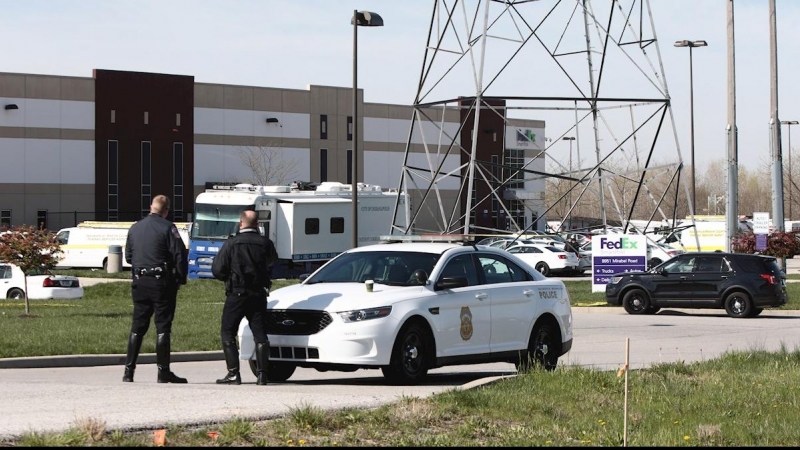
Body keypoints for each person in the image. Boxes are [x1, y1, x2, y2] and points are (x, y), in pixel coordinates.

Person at [122, 195, 188, 384]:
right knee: (163, 327)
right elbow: (179, 255)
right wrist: (180, 279)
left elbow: (128, 256)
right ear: (166, 210)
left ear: (151, 206)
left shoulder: (135, 228)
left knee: (138, 327)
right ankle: (163, 371)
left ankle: (128, 371)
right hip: (161, 283)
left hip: (139, 282)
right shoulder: (168, 227)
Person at [211, 210, 278, 385]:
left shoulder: (231, 243)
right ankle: (262, 374)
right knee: (260, 334)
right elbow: (272, 261)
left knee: (228, 332)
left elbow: (218, 269)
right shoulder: (265, 243)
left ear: (241, 223)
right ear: (257, 224)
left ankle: (233, 373)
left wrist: (228, 277)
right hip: (258, 294)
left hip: (237, 293)